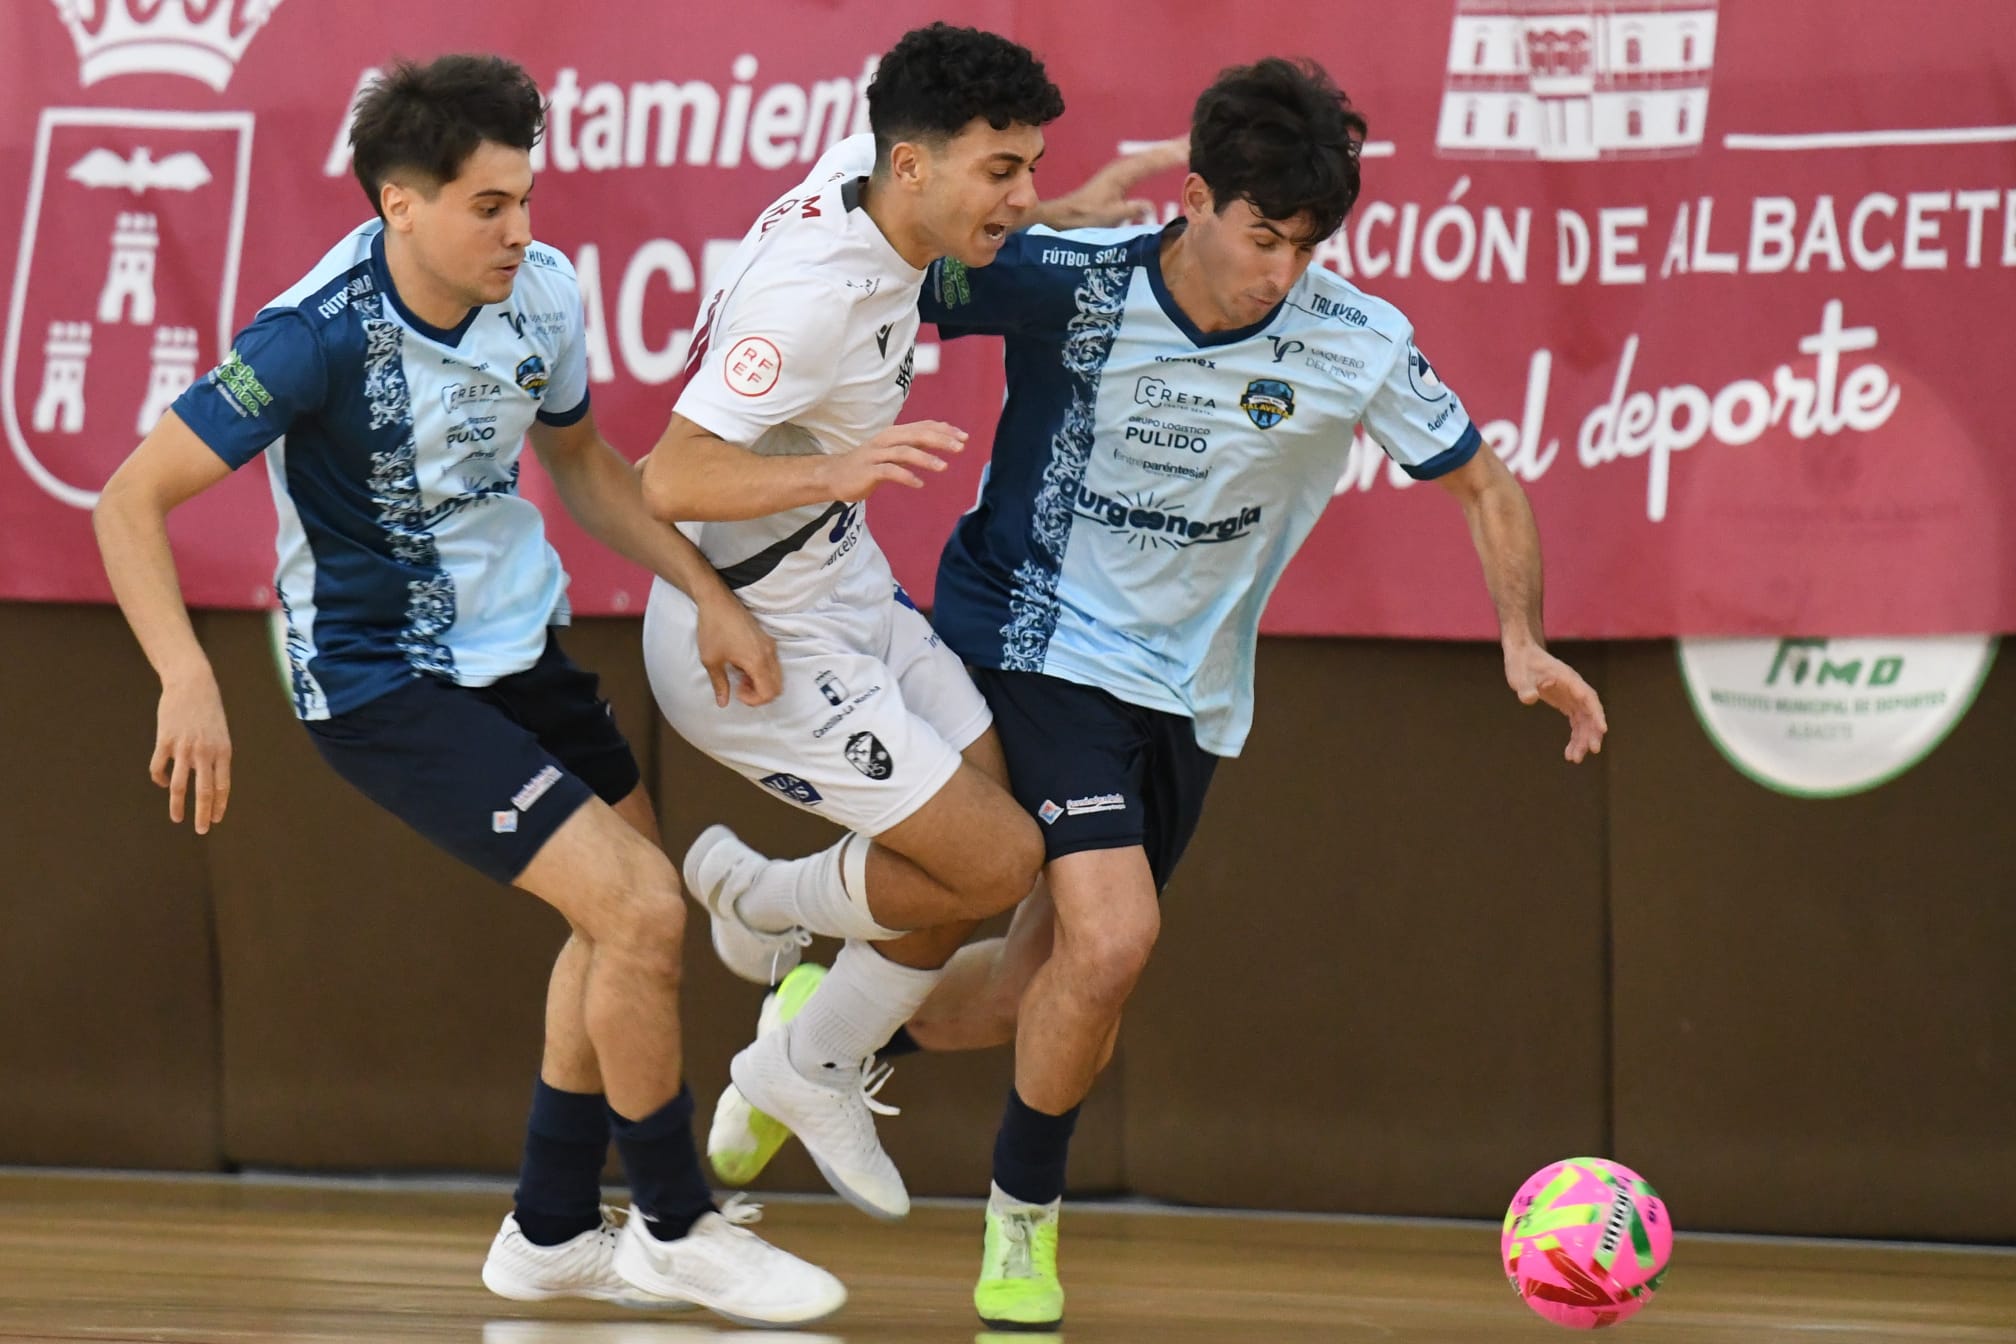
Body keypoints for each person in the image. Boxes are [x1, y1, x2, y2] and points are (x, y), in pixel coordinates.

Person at [711, 56, 1609, 1331]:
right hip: (1030, 637)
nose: (1280, 270)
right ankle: (1021, 1229)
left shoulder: (1355, 340)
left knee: (1042, 990)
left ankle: (817, 1035)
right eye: (1261, 236)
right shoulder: (1066, 287)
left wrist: (1520, 641)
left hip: (1190, 693)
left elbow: (1487, 485)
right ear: (1192, 198)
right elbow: (899, 255)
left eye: (1305, 245)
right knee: (1118, 935)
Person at [90, 53, 843, 1327]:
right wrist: (184, 677)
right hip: (383, 682)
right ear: (400, 207)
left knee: (621, 923)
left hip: (520, 647)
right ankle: (674, 1224)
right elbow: (129, 501)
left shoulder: (541, 296)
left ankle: (550, 1232)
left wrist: (707, 591)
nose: (520, 230)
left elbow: (590, 468)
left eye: (527, 198)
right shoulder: (309, 336)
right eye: (489, 205)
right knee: (645, 914)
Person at [636, 23, 1174, 1226]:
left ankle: (803, 1047)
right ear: (915, 167)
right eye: (1004, 172)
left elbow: (969, 191)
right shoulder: (810, 303)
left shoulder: (879, 178)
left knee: (984, 819)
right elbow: (664, 478)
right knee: (989, 861)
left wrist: (1071, 211)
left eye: (1030, 164)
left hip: (845, 591)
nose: (1022, 192)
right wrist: (834, 475)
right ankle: (765, 907)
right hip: (755, 643)